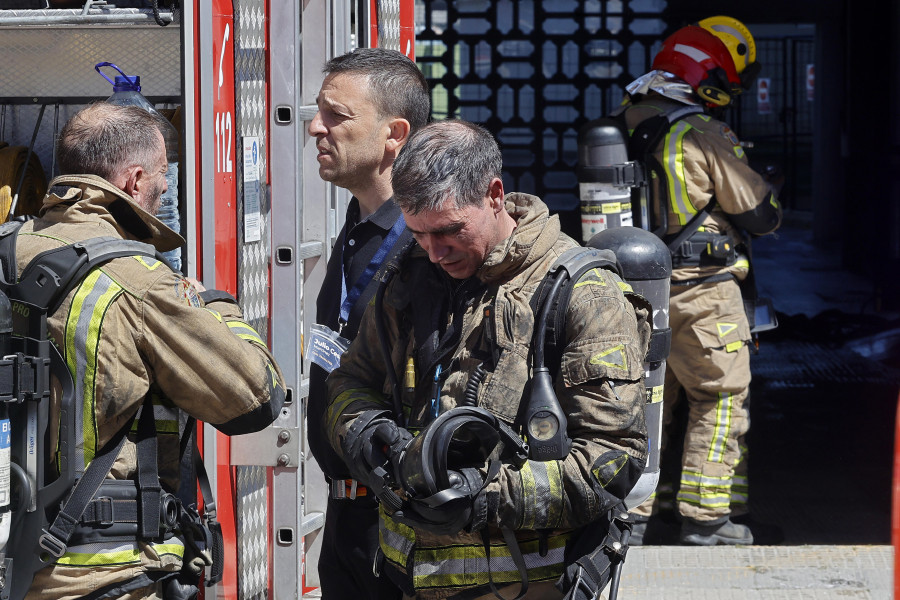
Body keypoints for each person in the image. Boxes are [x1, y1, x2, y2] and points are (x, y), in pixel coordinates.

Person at [324, 119, 651, 599]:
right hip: (402, 581)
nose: (434, 252)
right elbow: (351, 379)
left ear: (495, 195)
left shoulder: (583, 295)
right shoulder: (410, 280)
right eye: (417, 234)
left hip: (525, 585)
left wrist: (484, 497)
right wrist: (372, 437)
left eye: (449, 231)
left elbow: (612, 460)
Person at [20, 102, 287, 598]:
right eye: (164, 175)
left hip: (11, 560)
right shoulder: (138, 281)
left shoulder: (8, 253)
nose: (166, 189)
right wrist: (216, 307)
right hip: (102, 570)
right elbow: (255, 397)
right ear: (134, 180)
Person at [619, 16, 783, 545]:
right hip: (703, 290)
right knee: (719, 396)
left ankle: (641, 511)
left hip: (632, 290)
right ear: (704, 73)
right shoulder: (702, 130)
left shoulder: (627, 119)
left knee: (646, 401)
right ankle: (707, 519)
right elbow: (758, 211)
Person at [305, 47, 430, 599]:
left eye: (337, 115)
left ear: (393, 134)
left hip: (401, 526)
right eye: (317, 111)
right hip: (348, 522)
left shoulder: (426, 249)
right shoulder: (357, 227)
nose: (315, 127)